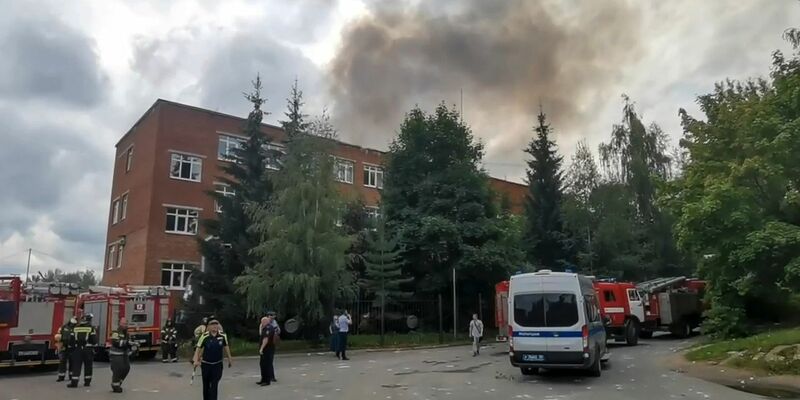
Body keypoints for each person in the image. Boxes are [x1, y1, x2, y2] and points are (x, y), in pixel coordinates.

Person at [193, 320, 233, 400]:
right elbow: (198, 348)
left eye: (216, 325)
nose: (215, 326)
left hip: (217, 364)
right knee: (206, 385)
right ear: (209, 327)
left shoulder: (222, 335)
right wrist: (195, 360)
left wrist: (229, 358)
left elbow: (226, 346)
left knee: (214, 385)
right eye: (212, 325)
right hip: (206, 364)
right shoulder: (204, 336)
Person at [68, 313, 98, 388]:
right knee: (88, 366)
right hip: (88, 349)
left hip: (77, 349)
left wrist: (72, 348)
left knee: (76, 365)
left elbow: (71, 340)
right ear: (88, 320)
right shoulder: (91, 328)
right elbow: (94, 340)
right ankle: (87, 382)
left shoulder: (75, 328)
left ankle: (74, 382)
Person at [109, 317, 137, 393]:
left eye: (126, 323)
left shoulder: (127, 333)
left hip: (124, 354)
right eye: (123, 323)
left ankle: (118, 383)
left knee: (126, 368)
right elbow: (115, 342)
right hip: (116, 354)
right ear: (119, 323)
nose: (125, 325)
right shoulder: (115, 332)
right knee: (118, 369)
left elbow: (128, 343)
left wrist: (133, 346)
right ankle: (115, 386)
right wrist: (126, 343)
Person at [55, 317, 77, 382]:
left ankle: (71, 376)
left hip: (73, 348)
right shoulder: (63, 327)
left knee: (72, 362)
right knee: (62, 362)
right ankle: (61, 377)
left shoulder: (76, 328)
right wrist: (59, 345)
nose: (72, 325)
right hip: (64, 347)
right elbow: (58, 336)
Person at [257, 315, 276, 386]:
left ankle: (267, 381)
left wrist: (261, 348)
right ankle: (263, 379)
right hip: (266, 349)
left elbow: (265, 339)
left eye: (262, 322)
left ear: (265, 322)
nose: (261, 324)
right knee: (262, 364)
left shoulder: (268, 328)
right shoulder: (266, 328)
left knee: (266, 365)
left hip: (267, 350)